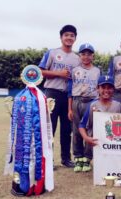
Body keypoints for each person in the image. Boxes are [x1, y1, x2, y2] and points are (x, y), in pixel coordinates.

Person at [38, 25, 80, 168]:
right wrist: (58, 73)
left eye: (72, 35)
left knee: (66, 129)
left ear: (75, 38)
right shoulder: (52, 53)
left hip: (68, 96)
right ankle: (48, 159)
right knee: (51, 128)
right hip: (52, 93)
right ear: (61, 37)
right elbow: (40, 71)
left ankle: (66, 158)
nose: (69, 37)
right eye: (66, 35)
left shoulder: (77, 58)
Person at [67, 43, 101, 172]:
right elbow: (70, 91)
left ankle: (87, 158)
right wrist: (69, 108)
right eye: (83, 54)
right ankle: (78, 157)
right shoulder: (75, 70)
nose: (86, 56)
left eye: (89, 54)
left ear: (93, 56)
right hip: (77, 101)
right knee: (76, 131)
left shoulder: (97, 71)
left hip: (91, 102)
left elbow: (100, 89)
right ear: (79, 55)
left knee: (90, 130)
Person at [78, 75, 121, 172]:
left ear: (113, 89)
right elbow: (81, 125)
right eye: (103, 87)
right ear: (98, 88)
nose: (106, 90)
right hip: (95, 140)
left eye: (109, 87)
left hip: (112, 140)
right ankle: (88, 157)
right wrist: (86, 138)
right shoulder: (92, 105)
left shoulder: (118, 105)